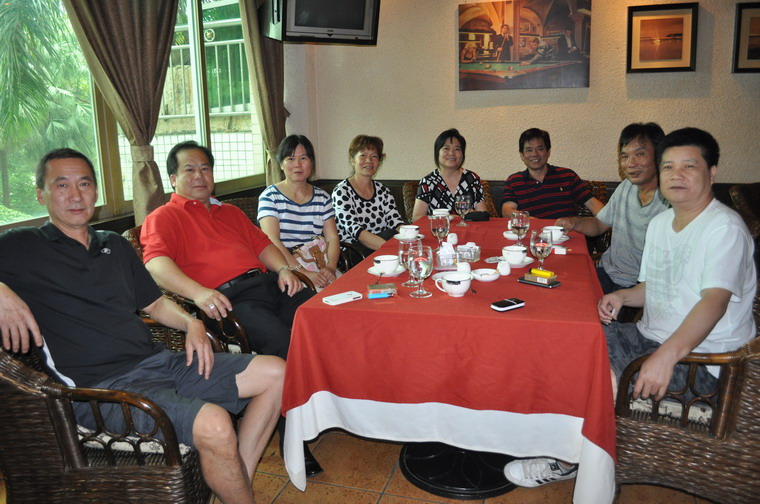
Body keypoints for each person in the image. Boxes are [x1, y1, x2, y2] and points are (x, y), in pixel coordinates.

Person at [0, 148, 284, 504]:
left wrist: (191, 323)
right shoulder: (23, 246)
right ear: (41, 194)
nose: (75, 195)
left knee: (276, 373)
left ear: (96, 192)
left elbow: (155, 304)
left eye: (84, 184)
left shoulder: (114, 245)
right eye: (61, 185)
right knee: (214, 423)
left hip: (158, 362)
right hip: (99, 389)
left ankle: (235, 474)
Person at [505, 127, 757, 489]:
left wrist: (666, 355)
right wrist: (623, 297)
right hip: (646, 336)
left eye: (688, 166)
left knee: (599, 375)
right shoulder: (662, 224)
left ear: (712, 172)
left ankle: (571, 461)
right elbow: (656, 286)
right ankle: (556, 440)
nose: (676, 175)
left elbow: (714, 302)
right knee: (568, 342)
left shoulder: (724, 228)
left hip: (706, 363)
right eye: (669, 166)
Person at [140, 140, 323, 476]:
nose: (199, 175)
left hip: (269, 284)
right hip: (229, 301)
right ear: (173, 179)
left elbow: (263, 245)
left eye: (205, 168)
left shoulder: (230, 212)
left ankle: (323, 410)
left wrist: (285, 269)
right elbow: (155, 264)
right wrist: (198, 293)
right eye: (190, 169)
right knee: (283, 343)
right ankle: (292, 437)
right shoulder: (164, 217)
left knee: (321, 319)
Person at [556, 122, 669, 294]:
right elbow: (600, 224)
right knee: (561, 288)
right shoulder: (626, 187)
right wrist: (575, 223)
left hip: (638, 287)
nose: (631, 163)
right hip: (606, 273)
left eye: (640, 154)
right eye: (624, 156)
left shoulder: (671, 202)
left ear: (659, 155)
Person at [258, 135, 340, 290]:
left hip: (319, 263)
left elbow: (332, 237)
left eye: (303, 158)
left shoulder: (322, 197)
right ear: (281, 164)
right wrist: (303, 273)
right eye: (290, 159)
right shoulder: (270, 197)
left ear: (311, 163)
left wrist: (331, 267)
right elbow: (272, 240)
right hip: (286, 269)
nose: (297, 164)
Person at [501, 128, 604, 219]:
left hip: (566, 232)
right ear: (522, 155)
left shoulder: (567, 176)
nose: (534, 154)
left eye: (540, 149)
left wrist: (606, 221)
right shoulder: (514, 181)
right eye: (529, 150)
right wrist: (529, 220)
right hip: (532, 232)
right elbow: (507, 211)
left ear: (548, 152)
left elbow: (593, 204)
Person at [331, 134, 405, 256]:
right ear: (352, 160)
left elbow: (396, 222)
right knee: (390, 235)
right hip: (355, 250)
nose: (369, 161)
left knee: (394, 234)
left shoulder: (383, 190)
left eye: (374, 156)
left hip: (382, 246)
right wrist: (389, 248)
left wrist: (410, 237)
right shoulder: (341, 191)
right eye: (363, 155)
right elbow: (355, 230)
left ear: (379, 162)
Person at [412, 128, 488, 222]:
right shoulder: (428, 182)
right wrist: (449, 217)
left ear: (462, 154)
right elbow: (416, 218)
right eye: (446, 148)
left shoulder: (472, 179)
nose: (451, 153)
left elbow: (483, 215)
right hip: (438, 230)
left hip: (468, 230)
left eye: (457, 149)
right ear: (437, 152)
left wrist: (474, 215)